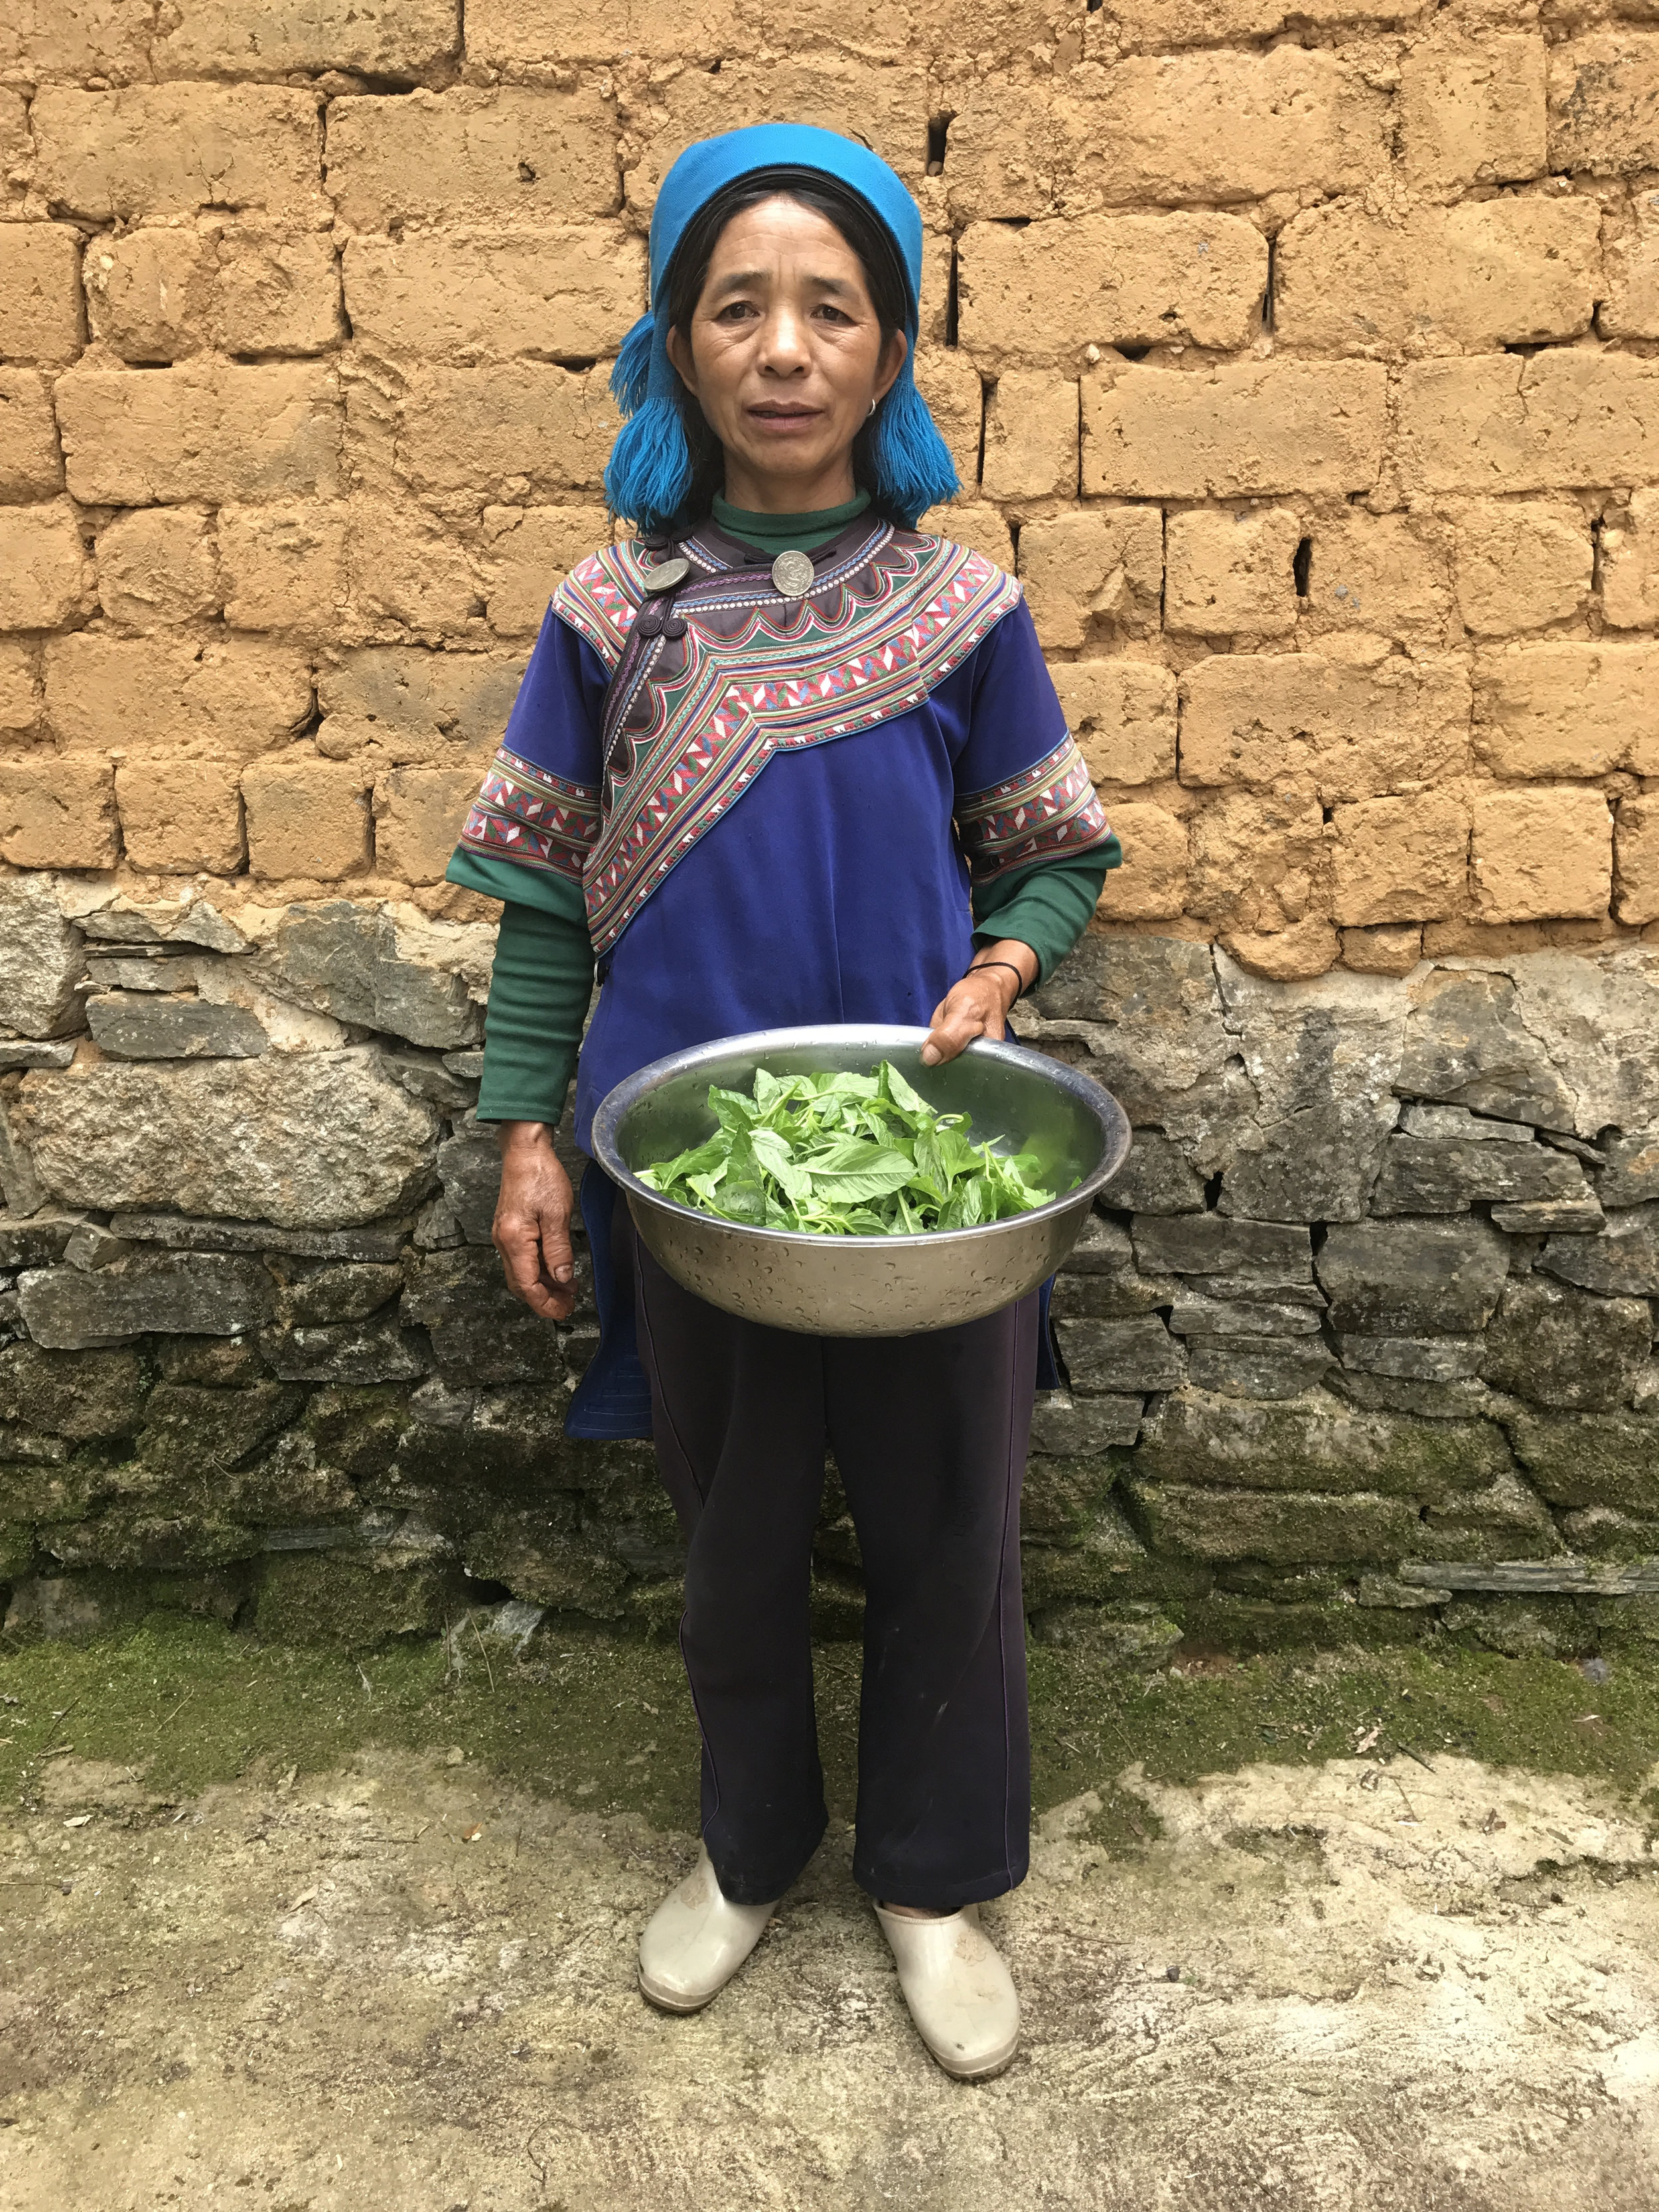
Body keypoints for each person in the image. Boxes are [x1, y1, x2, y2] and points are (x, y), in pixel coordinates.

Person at [445, 123, 1123, 2081]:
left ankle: (931, 1879)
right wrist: (523, 1130)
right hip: (691, 1177)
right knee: (732, 1535)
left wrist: (1002, 969)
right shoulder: (605, 616)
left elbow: (1053, 852)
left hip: (930, 1180)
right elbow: (542, 902)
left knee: (948, 1532)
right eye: (735, 305)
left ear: (889, 355)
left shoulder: (963, 613)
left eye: (832, 308)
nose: (784, 347)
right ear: (674, 344)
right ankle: (746, 1850)